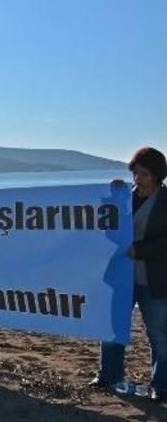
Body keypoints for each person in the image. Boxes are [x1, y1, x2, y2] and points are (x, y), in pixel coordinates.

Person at [92, 147, 167, 400]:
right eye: (135, 172)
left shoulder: (165, 201)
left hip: (154, 278)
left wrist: (142, 250)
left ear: (157, 175)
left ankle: (162, 385)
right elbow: (105, 226)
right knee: (113, 326)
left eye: (144, 174)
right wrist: (112, 197)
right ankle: (108, 375)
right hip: (120, 275)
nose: (138, 178)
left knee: (158, 331)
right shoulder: (124, 197)